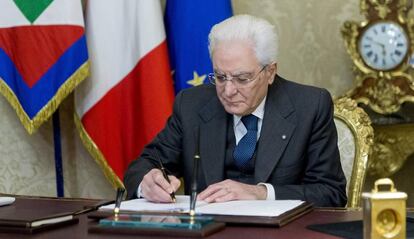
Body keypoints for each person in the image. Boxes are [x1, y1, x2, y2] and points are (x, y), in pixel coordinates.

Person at [124, 14, 347, 207]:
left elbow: (330, 193)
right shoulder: (191, 104)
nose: (228, 91)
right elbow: (144, 164)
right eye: (220, 77)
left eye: (242, 78)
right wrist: (148, 182)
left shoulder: (310, 106)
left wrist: (261, 193)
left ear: (270, 72)